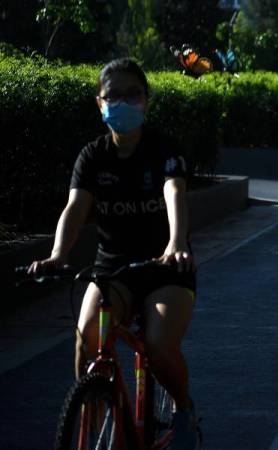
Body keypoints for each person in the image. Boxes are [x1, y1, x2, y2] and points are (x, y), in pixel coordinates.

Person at [28, 58, 200, 449]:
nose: (123, 102)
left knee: (157, 346)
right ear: (99, 102)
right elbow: (75, 209)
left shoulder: (163, 148)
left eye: (132, 94)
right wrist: (57, 255)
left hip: (165, 267)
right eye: (114, 95)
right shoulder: (93, 156)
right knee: (86, 338)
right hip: (113, 269)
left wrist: (176, 243)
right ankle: (97, 414)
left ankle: (182, 406)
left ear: (146, 100)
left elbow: (174, 192)